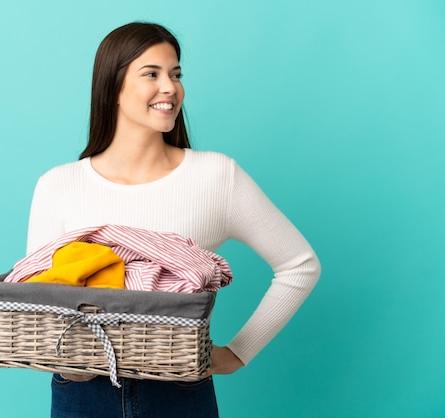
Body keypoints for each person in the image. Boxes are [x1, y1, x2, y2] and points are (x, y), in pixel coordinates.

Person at [25, 22, 321, 418]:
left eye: (176, 74)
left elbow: (299, 265)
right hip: (82, 392)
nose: (171, 87)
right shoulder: (58, 185)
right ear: (112, 87)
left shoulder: (217, 177)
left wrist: (237, 352)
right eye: (152, 74)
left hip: (178, 390)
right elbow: (38, 301)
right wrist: (62, 362)